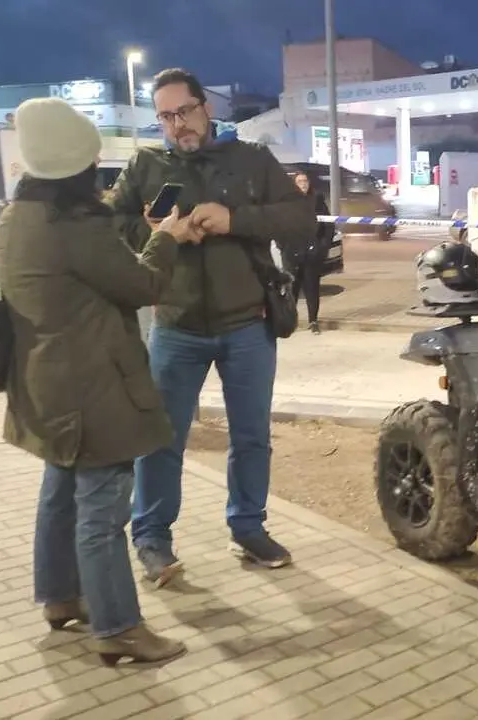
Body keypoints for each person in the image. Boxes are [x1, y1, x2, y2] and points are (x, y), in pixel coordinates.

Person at [0, 97, 201, 665]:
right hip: (94, 390)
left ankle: (61, 597)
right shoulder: (74, 227)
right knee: (104, 512)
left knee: (59, 493)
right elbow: (143, 285)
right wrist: (168, 236)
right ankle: (118, 628)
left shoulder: (19, 217)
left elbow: (87, 268)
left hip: (44, 384)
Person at [108, 68, 318, 587]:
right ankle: (152, 537)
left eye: (185, 111)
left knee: (251, 437)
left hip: (248, 324)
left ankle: (248, 527)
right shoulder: (144, 165)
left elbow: (301, 219)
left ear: (207, 108)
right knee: (161, 438)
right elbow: (112, 227)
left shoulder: (248, 160)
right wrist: (158, 232)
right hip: (175, 325)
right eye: (166, 115)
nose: (178, 124)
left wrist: (234, 219)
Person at [286, 171, 336, 334]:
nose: (303, 184)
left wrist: (323, 246)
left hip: (312, 252)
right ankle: (290, 320)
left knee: (312, 288)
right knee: (292, 288)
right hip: (293, 252)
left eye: (305, 180)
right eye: (300, 181)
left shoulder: (317, 198)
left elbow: (328, 224)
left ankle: (313, 321)